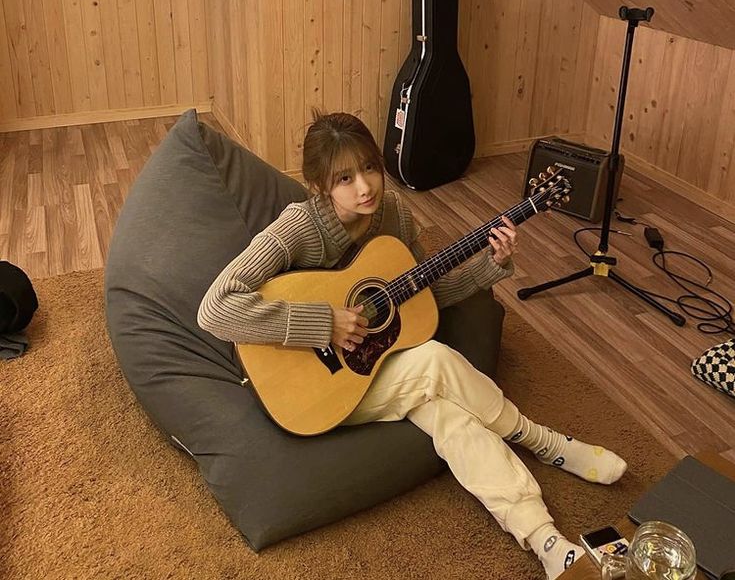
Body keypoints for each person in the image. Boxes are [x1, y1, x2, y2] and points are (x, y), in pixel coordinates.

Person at [198, 111, 627, 579]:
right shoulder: (298, 226)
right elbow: (215, 308)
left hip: (382, 367)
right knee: (434, 361)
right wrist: (323, 323)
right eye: (345, 177)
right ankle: (542, 440)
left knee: (451, 418)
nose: (365, 186)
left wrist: (492, 265)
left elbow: (421, 295)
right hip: (316, 390)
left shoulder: (394, 213)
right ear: (320, 185)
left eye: (369, 167)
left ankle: (547, 542)